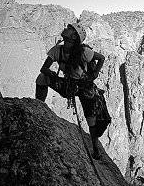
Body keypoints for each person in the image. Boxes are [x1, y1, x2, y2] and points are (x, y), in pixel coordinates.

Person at [35, 22, 105, 159]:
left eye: (69, 29)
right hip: (69, 85)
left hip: (84, 86)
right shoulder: (57, 50)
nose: (66, 29)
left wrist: (95, 73)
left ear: (74, 36)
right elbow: (43, 69)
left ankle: (96, 148)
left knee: (91, 119)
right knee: (42, 78)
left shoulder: (84, 52)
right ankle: (39, 106)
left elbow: (101, 58)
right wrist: (51, 74)